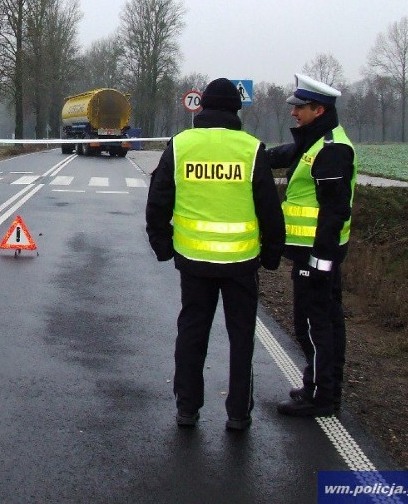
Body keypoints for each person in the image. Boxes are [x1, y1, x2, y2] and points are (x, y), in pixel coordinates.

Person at [146, 78, 285, 430]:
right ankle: (238, 414)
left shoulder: (181, 146)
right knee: (241, 339)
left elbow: (158, 199)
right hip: (241, 264)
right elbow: (270, 208)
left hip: (193, 263)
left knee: (192, 333)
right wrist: (271, 254)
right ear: (236, 112)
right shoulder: (251, 149)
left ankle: (187, 409)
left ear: (203, 108)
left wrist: (163, 247)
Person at [269, 73, 358, 418]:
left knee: (313, 323)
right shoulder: (315, 142)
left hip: (317, 253)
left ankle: (319, 396)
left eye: (300, 108)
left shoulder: (332, 150)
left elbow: (335, 211)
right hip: (313, 252)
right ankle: (324, 388)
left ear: (318, 110)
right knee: (326, 320)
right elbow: (283, 154)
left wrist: (320, 262)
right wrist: (250, 154)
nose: (294, 113)